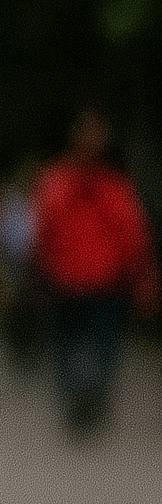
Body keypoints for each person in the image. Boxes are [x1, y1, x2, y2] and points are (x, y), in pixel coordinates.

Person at [30, 110, 155, 429]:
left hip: (105, 282)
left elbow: (133, 235)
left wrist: (141, 276)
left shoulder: (113, 186)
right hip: (64, 280)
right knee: (66, 345)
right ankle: (77, 399)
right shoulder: (56, 181)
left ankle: (90, 397)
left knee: (102, 346)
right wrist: (42, 267)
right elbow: (43, 230)